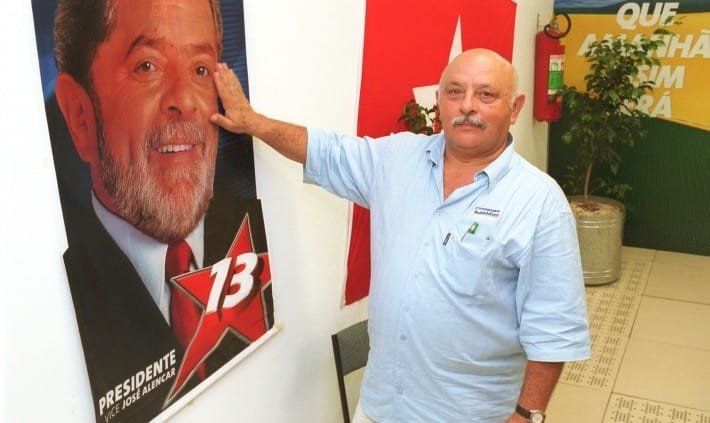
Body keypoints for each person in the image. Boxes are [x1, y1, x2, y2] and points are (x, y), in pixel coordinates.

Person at [211, 48, 591, 422]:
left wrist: (526, 415)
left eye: (486, 94)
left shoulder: (539, 202)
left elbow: (553, 328)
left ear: (515, 107)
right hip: (382, 405)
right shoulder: (397, 159)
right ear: (439, 100)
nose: (467, 106)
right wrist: (252, 122)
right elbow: (327, 151)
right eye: (455, 92)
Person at [52, 1, 271, 421]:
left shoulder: (246, 228)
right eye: (147, 66)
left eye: (201, 69)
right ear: (80, 116)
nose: (185, 101)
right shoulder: (58, 306)